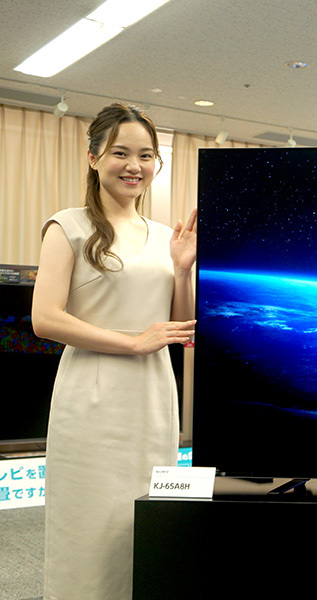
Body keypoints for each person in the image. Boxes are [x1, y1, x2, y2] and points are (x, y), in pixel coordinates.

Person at [31, 103, 197, 599]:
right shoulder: (67, 226)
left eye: (146, 156)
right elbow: (45, 319)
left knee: (145, 519)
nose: (134, 166)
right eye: (121, 152)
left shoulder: (166, 236)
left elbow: (183, 328)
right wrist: (133, 342)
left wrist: (182, 270)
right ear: (93, 157)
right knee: (89, 523)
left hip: (153, 395)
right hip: (92, 395)